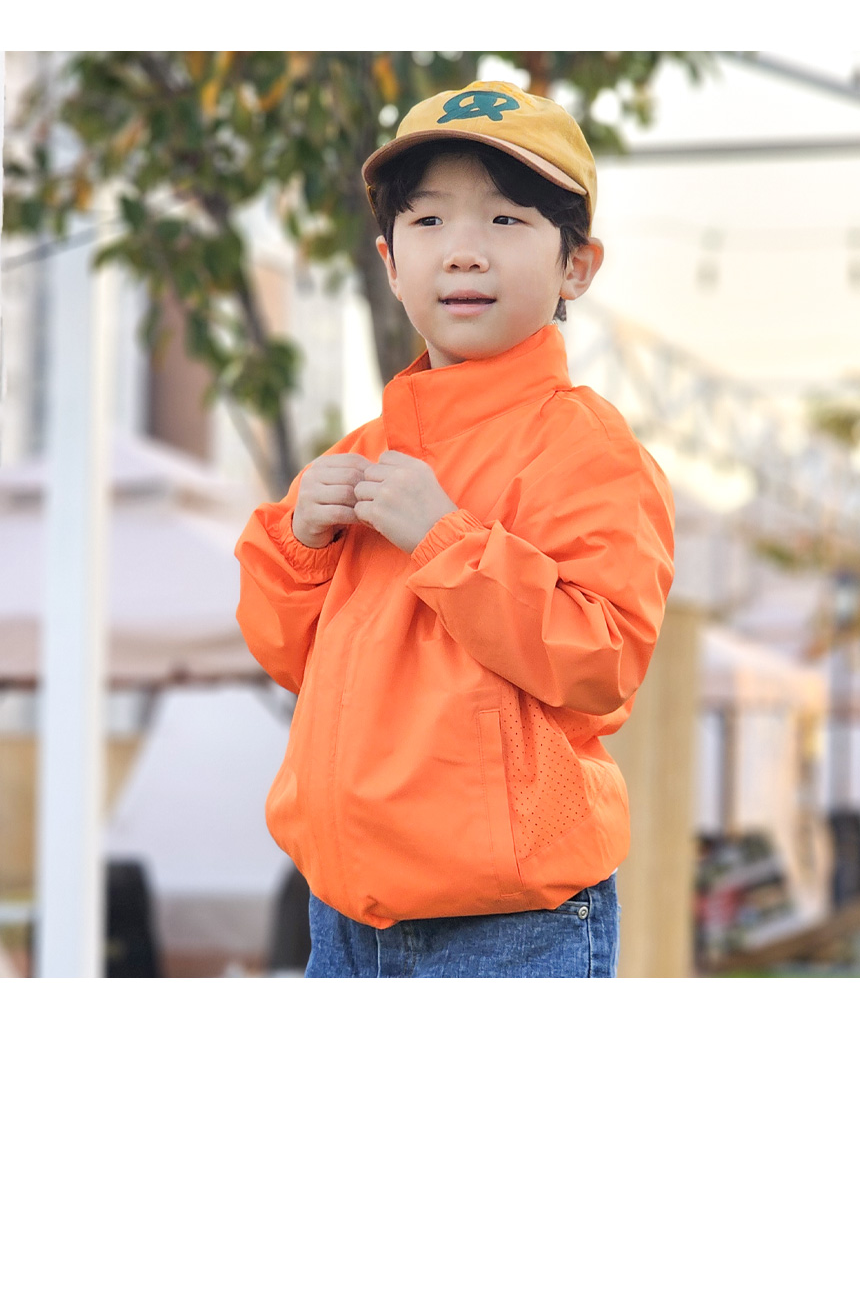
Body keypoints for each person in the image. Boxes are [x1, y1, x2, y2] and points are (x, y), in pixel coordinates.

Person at [234, 80, 675, 978]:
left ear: (577, 267)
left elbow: (601, 659)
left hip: (509, 923)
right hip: (345, 916)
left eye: (506, 221)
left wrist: (447, 542)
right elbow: (288, 656)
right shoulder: (361, 455)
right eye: (428, 221)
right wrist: (301, 547)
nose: (463, 252)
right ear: (391, 263)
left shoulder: (582, 446)